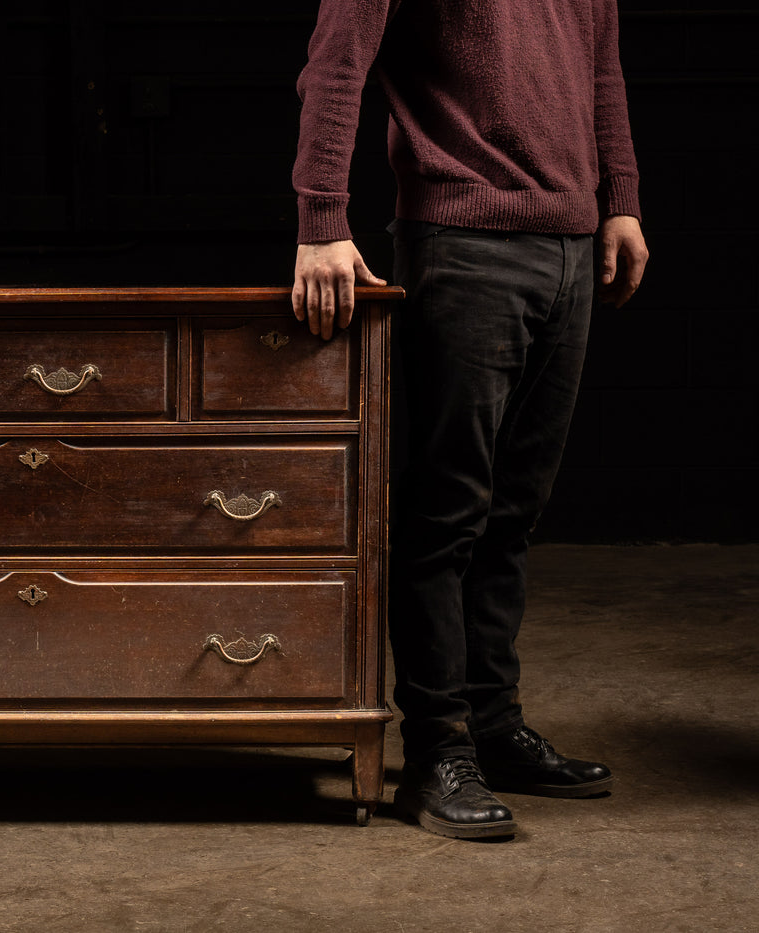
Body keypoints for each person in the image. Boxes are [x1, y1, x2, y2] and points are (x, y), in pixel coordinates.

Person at [290, 0, 650, 839]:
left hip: (570, 240)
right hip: (463, 240)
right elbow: (336, 64)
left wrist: (621, 198)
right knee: (448, 509)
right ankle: (436, 748)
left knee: (513, 510)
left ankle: (494, 724)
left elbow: (603, 71)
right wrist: (320, 220)